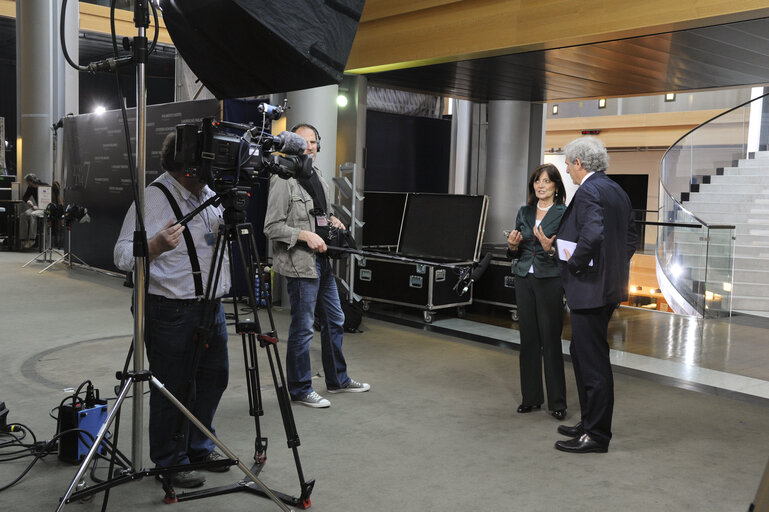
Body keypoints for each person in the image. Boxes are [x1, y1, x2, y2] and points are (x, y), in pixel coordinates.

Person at [114, 132, 231, 487]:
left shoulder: (207, 194)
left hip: (212, 306)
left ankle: (198, 445)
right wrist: (153, 245)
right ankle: (169, 459)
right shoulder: (154, 198)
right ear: (187, 169)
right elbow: (121, 255)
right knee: (173, 388)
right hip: (170, 311)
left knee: (214, 378)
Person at [263, 122, 370, 408]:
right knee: (303, 329)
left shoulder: (317, 177)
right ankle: (299, 389)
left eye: (312, 142)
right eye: (302, 142)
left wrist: (332, 220)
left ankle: (337, 380)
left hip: (322, 264)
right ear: (290, 146)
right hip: (300, 266)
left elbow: (318, 214)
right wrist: (303, 235)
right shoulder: (283, 180)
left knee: (336, 320)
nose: (308, 147)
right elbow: (271, 226)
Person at [553, 136, 637, 454]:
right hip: (609, 286)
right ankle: (589, 422)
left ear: (579, 163)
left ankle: (597, 435)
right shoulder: (616, 190)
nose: (567, 169)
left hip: (590, 289)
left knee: (592, 362)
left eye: (568, 163)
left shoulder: (589, 190)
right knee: (583, 353)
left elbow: (592, 233)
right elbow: (630, 237)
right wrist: (610, 267)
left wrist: (575, 265)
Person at [506, 163, 568, 420]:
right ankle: (530, 398)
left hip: (550, 279)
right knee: (528, 340)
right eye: (537, 181)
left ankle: (557, 402)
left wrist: (550, 249)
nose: (540, 185)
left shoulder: (564, 213)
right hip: (524, 277)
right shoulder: (524, 211)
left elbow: (567, 252)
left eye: (546, 181)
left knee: (550, 340)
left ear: (556, 185)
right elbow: (516, 250)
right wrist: (511, 246)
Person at [20, 173, 58, 249]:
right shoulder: (30, 188)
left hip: (46, 208)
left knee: (32, 215)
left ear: (31, 181)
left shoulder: (45, 185)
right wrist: (28, 202)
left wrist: (43, 206)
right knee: (24, 215)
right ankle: (23, 238)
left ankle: (32, 239)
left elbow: (53, 200)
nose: (27, 184)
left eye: (28, 182)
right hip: (37, 207)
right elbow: (25, 197)